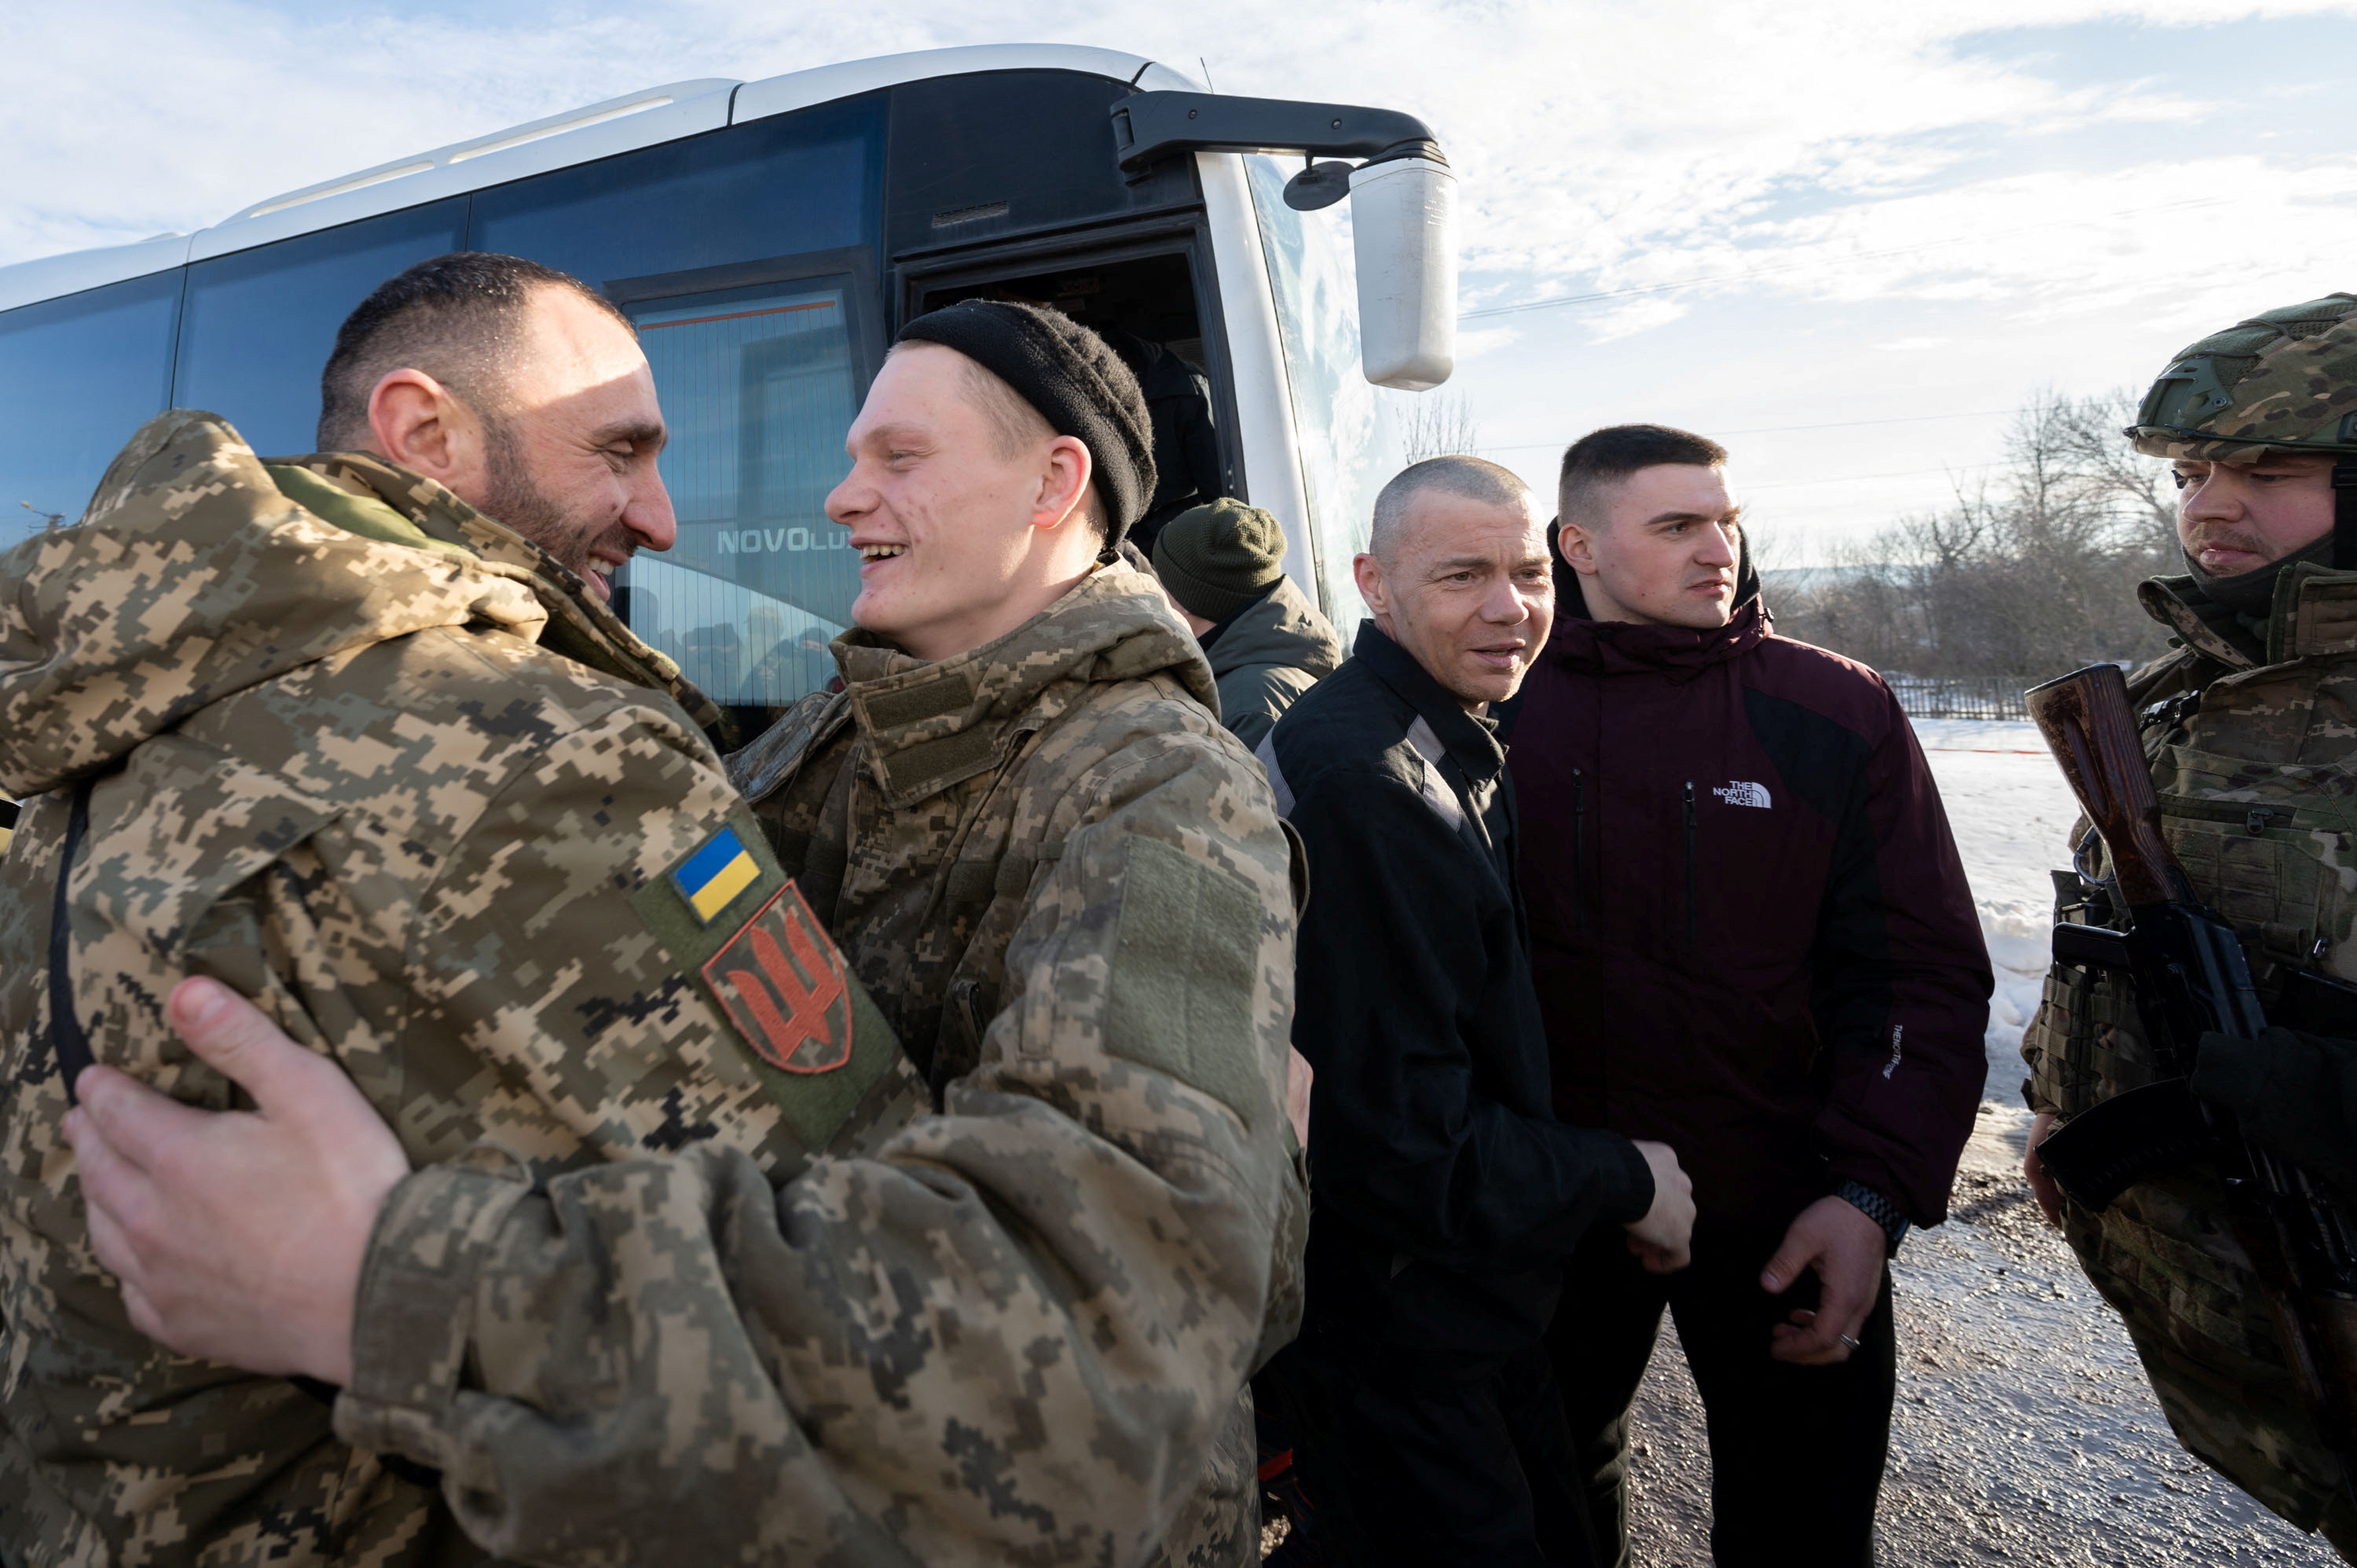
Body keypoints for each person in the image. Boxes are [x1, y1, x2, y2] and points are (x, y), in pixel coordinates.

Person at [16, 287, 1303, 1566]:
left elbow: (1127, 1329)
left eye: (897, 458)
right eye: (850, 458)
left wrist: (398, 1290)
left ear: (1053, 483)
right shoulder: (817, 746)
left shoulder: (1176, 801)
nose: (840, 499)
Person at [1513, 424, 1991, 1567]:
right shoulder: (1499, 708)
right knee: (1540, 1518)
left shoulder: (1832, 709)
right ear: (1578, 543)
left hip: (1785, 1211)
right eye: (1677, 525)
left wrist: (1871, 1195)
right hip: (1557, 1204)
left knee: (1803, 1535)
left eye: (1726, 520)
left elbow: (1918, 973)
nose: (1716, 547)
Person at [1258, 454, 1696, 1567]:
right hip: (1400, 1332)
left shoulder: (1443, 742)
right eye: (1461, 577)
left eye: (1528, 573)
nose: (1512, 609)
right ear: (1373, 583)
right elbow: (1400, 1150)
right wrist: (1626, 1177)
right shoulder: (1370, 780)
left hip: (1455, 1315)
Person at [2021, 292, 2357, 1558]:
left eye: (2269, 470)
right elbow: (2101, 920)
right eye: (2197, 470)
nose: (2210, 505)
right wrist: (2064, 1100)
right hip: (2238, 1326)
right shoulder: (2167, 697)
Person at [1150, 497, 1343, 748]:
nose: (1150, 588)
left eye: (1160, 580)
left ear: (1189, 599)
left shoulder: (1249, 708)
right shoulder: (1249, 669)